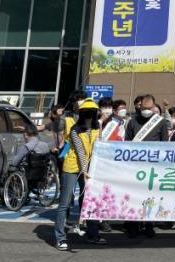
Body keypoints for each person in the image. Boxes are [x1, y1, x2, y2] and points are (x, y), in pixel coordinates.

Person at [54, 99, 105, 250]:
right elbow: (80, 151)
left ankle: (93, 235)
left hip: (89, 168)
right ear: (82, 113)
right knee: (65, 203)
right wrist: (84, 171)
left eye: (92, 112)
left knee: (89, 201)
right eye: (87, 112)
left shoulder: (97, 127)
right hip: (72, 167)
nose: (90, 115)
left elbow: (100, 146)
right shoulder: (75, 129)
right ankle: (60, 238)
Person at [124, 94, 168, 239]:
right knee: (134, 196)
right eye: (144, 108)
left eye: (149, 108)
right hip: (135, 166)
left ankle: (149, 225)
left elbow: (165, 144)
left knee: (150, 196)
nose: (146, 110)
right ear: (140, 107)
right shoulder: (132, 121)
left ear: (154, 107)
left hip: (153, 167)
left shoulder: (160, 122)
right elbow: (127, 143)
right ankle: (132, 225)